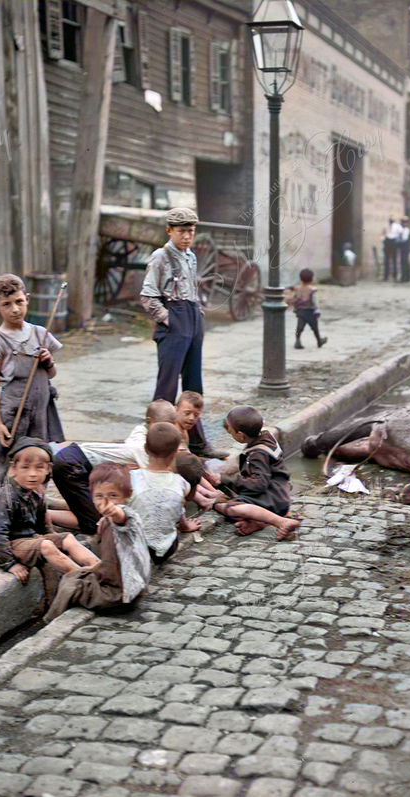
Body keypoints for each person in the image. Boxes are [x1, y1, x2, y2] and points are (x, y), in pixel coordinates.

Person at [139, 207, 228, 460]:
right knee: (166, 389)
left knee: (193, 388)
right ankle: (157, 447)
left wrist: (198, 316)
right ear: (169, 231)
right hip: (174, 322)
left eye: (191, 231)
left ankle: (199, 444)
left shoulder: (190, 256)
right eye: (182, 231)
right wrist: (168, 319)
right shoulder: (160, 257)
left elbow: (192, 289)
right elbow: (147, 296)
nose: (187, 236)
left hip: (192, 319)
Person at [0, 274, 64, 510]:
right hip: (12, 414)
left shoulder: (39, 333)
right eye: (7, 304)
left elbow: (51, 374)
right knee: (0, 466)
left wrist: (48, 361)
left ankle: (31, 514)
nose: (15, 309)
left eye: (19, 302)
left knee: (37, 463)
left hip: (40, 414)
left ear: (27, 299)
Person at [50, 400, 179, 536]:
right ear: (150, 421)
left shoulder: (141, 431)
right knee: (97, 522)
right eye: (162, 427)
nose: (166, 433)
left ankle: (54, 504)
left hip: (73, 458)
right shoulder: (142, 448)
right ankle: (44, 513)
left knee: (93, 507)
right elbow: (156, 476)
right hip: (72, 465)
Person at [0, 437, 100, 585]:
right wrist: (9, 563)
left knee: (67, 538)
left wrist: (55, 539)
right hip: (15, 545)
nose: (32, 474)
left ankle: (98, 569)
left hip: (33, 540)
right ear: (13, 468)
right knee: (46, 545)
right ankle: (82, 579)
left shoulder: (37, 491)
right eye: (25, 467)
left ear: (48, 469)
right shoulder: (6, 497)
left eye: (39, 468)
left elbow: (44, 521)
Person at [43, 463, 152, 623]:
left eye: (113, 496)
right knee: (76, 574)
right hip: (125, 584)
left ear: (127, 496)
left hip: (120, 594)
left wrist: (115, 512)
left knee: (70, 585)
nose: (105, 502)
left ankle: (51, 622)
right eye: (99, 496)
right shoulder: (105, 521)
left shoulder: (126, 518)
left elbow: (122, 517)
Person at [204, 406, 301, 541]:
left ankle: (281, 522)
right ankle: (259, 522)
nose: (230, 434)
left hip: (273, 499)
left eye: (231, 432)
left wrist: (225, 479)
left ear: (241, 435)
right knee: (235, 508)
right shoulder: (266, 437)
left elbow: (258, 484)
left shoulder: (257, 454)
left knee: (230, 509)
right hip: (280, 493)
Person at [129, 422, 197, 564]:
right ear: (174, 454)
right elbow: (180, 507)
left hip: (138, 548)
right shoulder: (181, 482)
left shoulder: (132, 477)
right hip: (168, 548)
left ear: (146, 449)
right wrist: (186, 526)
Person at [286, 268, 327, 350]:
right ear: (312, 279)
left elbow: (294, 296)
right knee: (315, 327)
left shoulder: (297, 288)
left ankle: (297, 340)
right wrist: (317, 310)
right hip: (310, 311)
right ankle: (319, 340)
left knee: (299, 327)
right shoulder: (312, 289)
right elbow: (315, 301)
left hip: (301, 311)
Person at [383, 216, 402, 281]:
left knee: (394, 259)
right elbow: (383, 234)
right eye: (390, 220)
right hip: (388, 241)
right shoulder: (386, 226)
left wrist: (398, 240)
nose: (390, 222)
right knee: (387, 260)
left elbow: (401, 233)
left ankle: (395, 276)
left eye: (392, 220)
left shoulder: (397, 226)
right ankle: (386, 275)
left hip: (394, 242)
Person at [399, 215, 410, 283]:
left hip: (405, 248)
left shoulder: (407, 230)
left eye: (405, 222)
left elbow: (404, 239)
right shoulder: (402, 230)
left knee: (405, 262)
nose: (404, 223)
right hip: (402, 248)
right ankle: (404, 276)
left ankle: (406, 276)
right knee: (403, 262)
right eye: (403, 222)